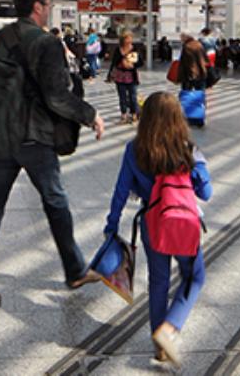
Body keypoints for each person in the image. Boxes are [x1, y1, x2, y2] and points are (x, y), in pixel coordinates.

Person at [0, 0, 104, 318]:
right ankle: (75, 270)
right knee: (56, 202)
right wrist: (90, 115)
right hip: (34, 138)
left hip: (1, 138)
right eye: (49, 5)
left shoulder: (0, 39)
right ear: (38, 7)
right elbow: (56, 96)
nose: (49, 10)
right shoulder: (46, 43)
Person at [96, 93, 211, 365]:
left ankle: (158, 345)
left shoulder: (134, 149)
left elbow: (120, 191)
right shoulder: (187, 149)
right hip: (183, 222)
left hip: (152, 222)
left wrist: (111, 226)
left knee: (159, 281)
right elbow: (206, 192)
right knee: (194, 277)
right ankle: (169, 328)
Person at [109, 31, 141, 125]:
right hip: (120, 75)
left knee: (133, 96)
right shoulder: (118, 50)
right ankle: (124, 114)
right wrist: (111, 74)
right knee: (122, 96)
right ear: (123, 39)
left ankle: (134, 114)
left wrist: (132, 65)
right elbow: (114, 62)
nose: (129, 40)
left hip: (131, 75)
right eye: (127, 38)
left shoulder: (134, 49)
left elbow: (140, 62)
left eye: (130, 38)